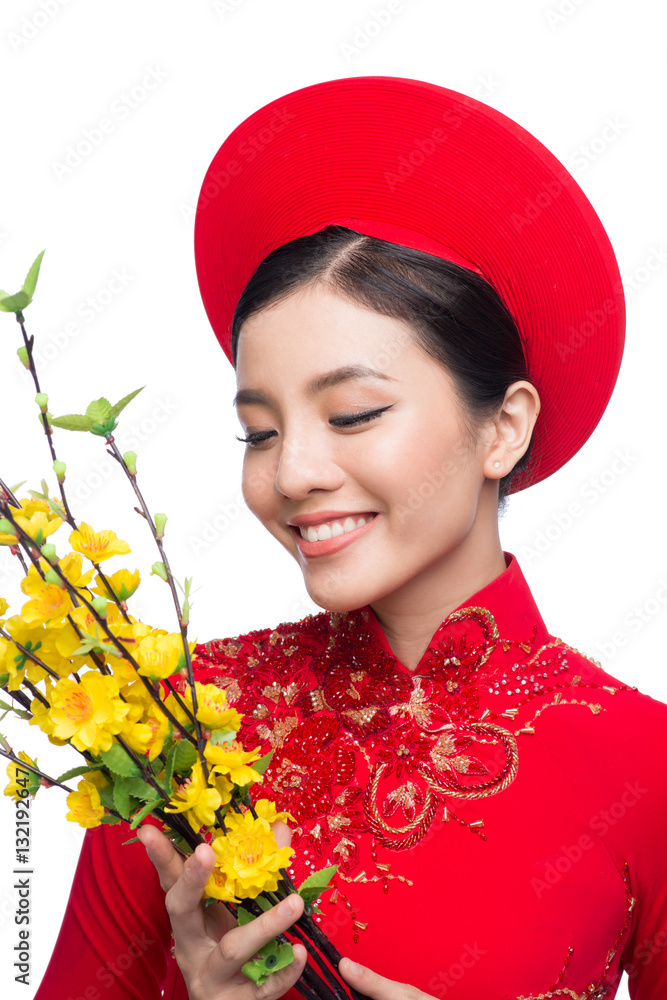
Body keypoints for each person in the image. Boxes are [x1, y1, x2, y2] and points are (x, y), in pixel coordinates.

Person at [34, 76, 667, 1000]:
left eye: (355, 413)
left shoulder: (643, 768)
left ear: (503, 428)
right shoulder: (177, 728)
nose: (290, 474)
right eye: (259, 431)